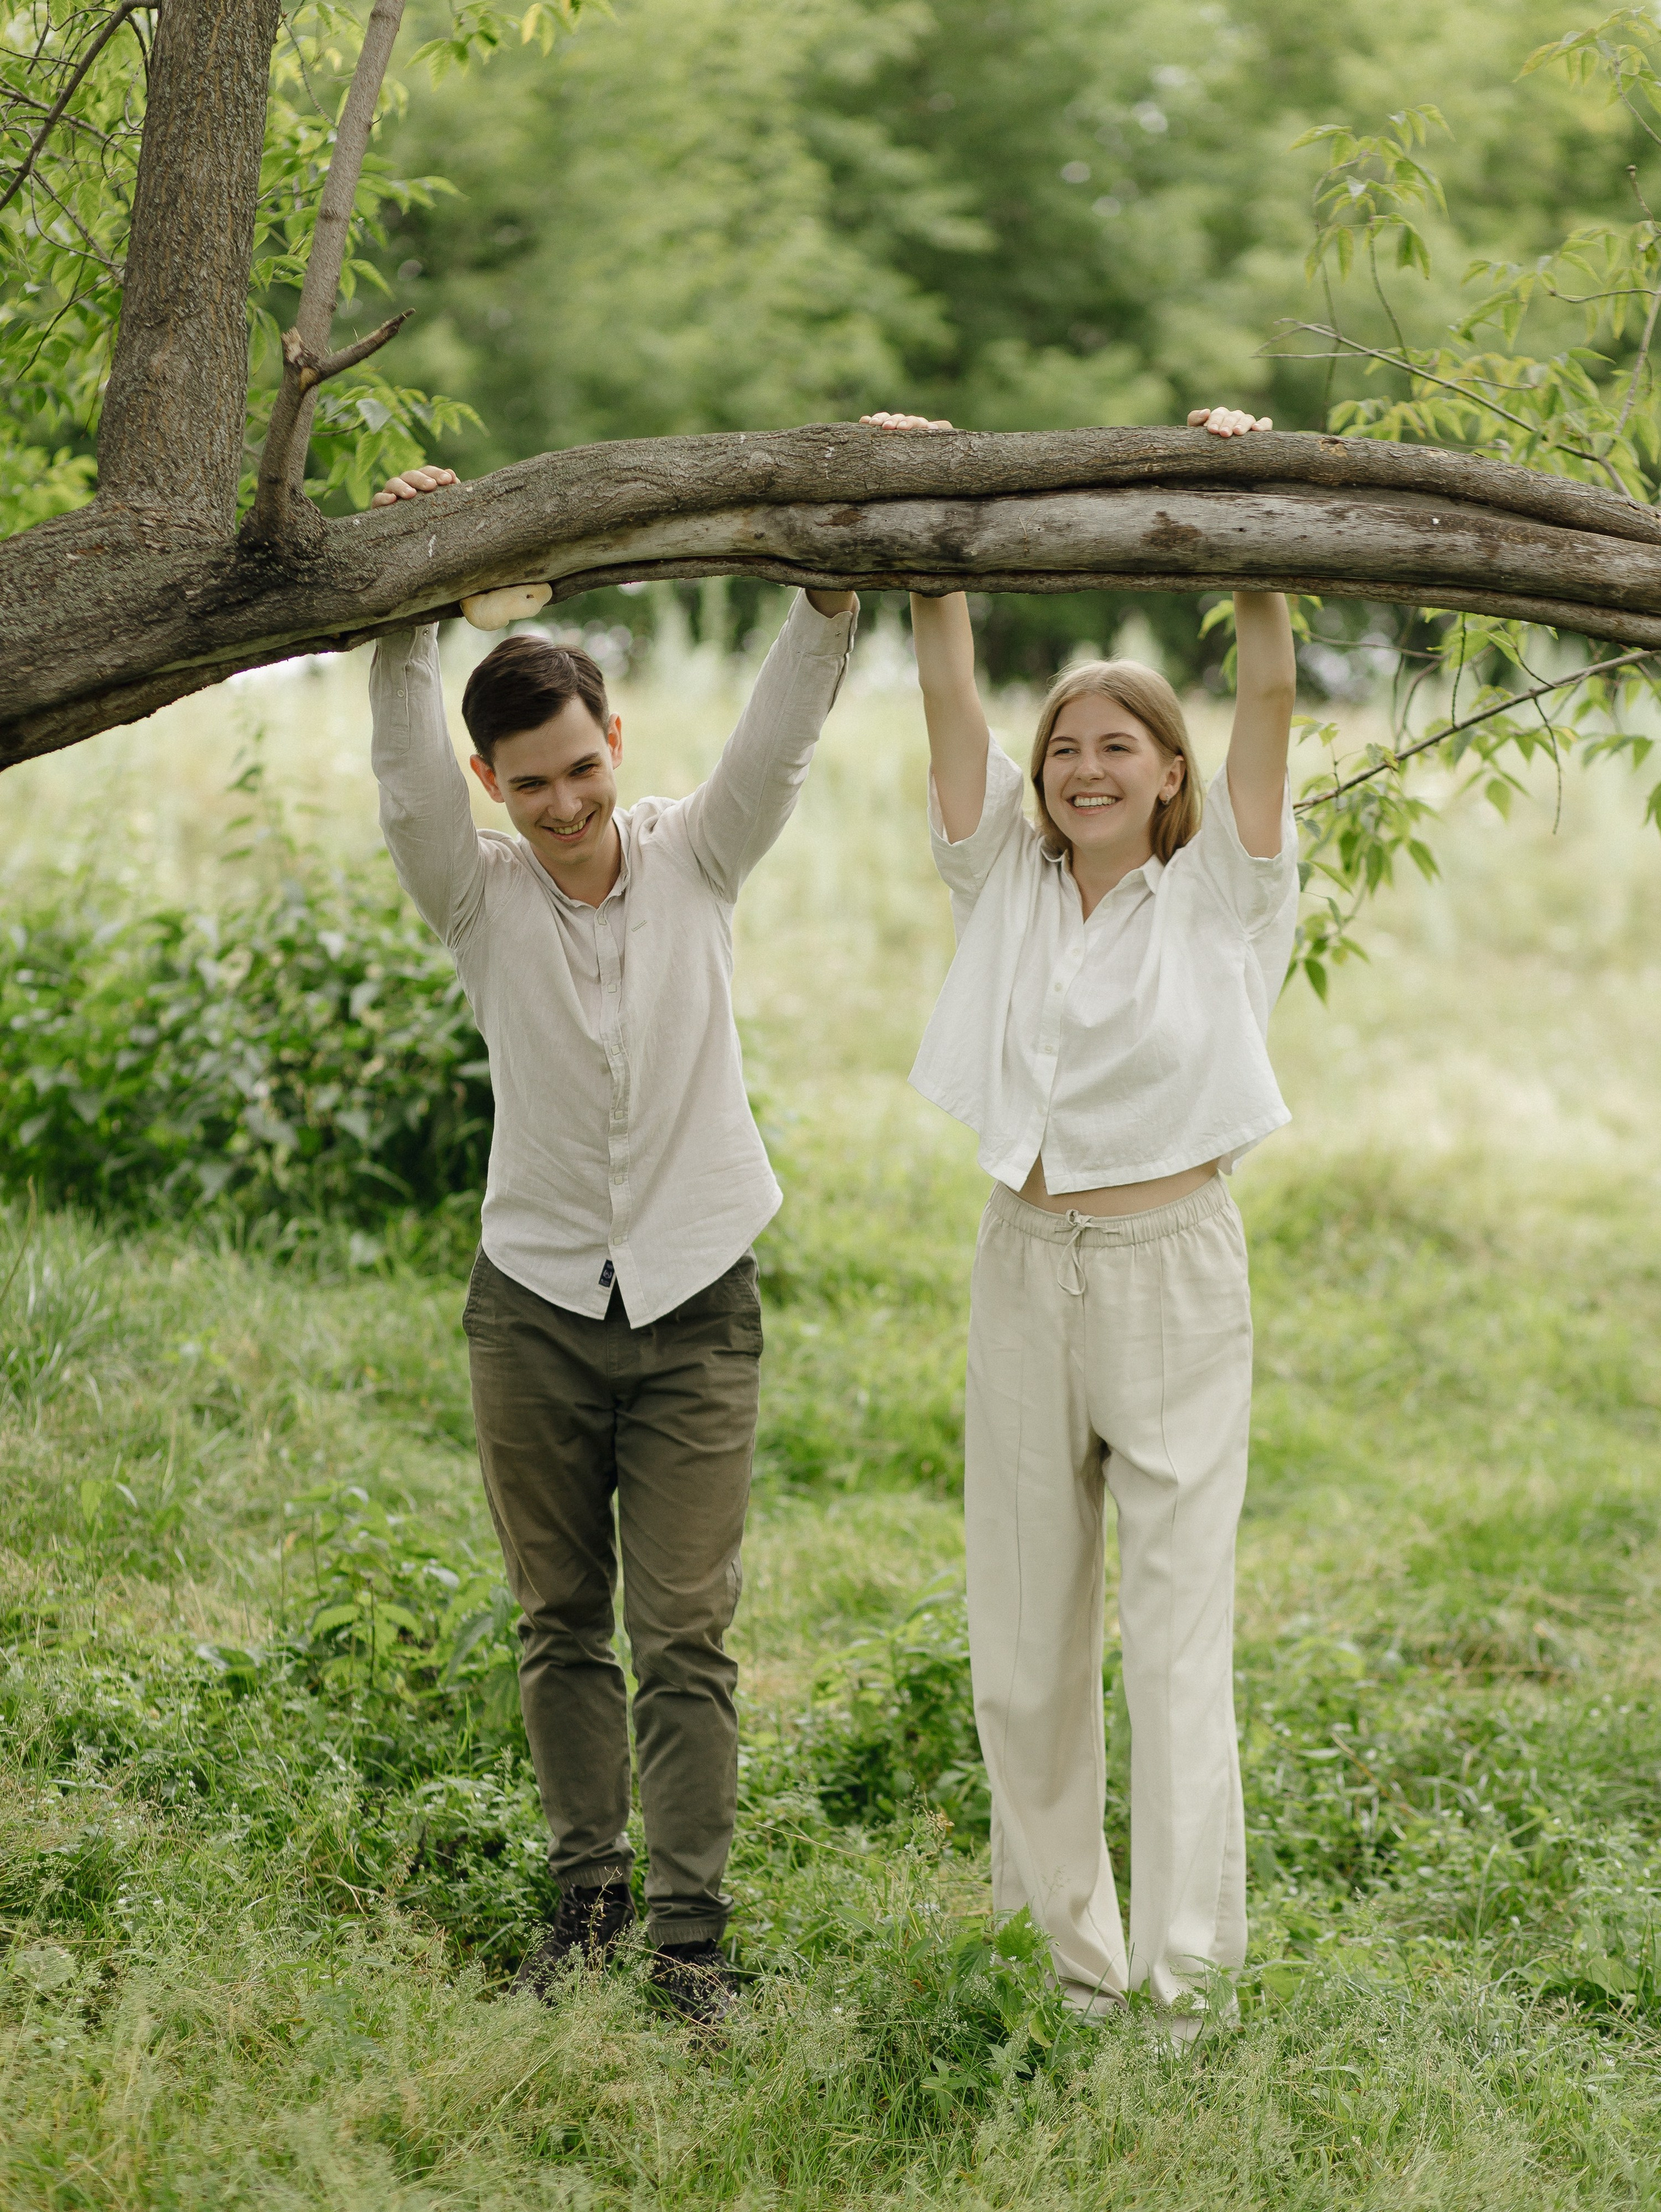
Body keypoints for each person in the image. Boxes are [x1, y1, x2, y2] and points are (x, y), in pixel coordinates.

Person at [368, 463, 858, 2024]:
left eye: (579, 769)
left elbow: (778, 749)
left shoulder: (697, 855)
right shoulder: (475, 899)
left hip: (698, 1302)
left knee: (685, 1633)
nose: (565, 807)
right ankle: (583, 1905)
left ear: (613, 746)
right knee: (557, 1622)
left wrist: (835, 580)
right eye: (529, 786)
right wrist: (408, 599)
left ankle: (689, 1945)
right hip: (530, 1310)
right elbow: (397, 779)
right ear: (493, 789)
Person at [864, 404, 1297, 2036]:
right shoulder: (1003, 884)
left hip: (1171, 1275)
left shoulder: (1226, 890)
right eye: (1066, 749)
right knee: (1024, 1644)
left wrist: (1249, 506)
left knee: (1172, 1639)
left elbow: (1266, 686)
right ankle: (1068, 1966)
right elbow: (948, 694)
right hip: (1024, 1266)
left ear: (1167, 774)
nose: (1085, 765)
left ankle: (1183, 1987)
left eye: (1118, 745)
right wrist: (927, 502)